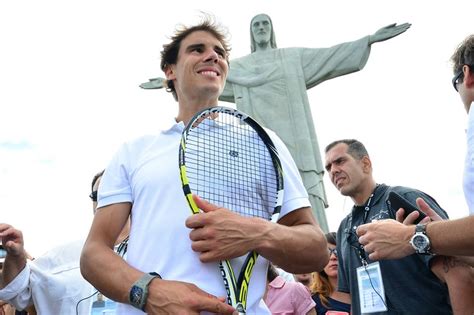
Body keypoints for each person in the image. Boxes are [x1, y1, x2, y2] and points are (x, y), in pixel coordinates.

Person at [81, 16, 328, 315]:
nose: (213, 56)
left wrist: (256, 233)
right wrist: (151, 293)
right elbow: (94, 254)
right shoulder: (134, 151)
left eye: (220, 53)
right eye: (197, 49)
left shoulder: (265, 142)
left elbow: (315, 248)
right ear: (169, 70)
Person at [140, 15, 411, 232]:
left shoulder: (291, 58)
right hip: (250, 148)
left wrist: (368, 41)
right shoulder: (238, 68)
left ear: (271, 30)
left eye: (264, 24)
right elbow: (196, 78)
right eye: (255, 25)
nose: (260, 29)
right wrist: (167, 79)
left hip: (295, 142)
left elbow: (330, 56)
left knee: (305, 209)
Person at [324, 138, 474, 314]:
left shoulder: (401, 199)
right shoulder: (344, 228)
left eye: (340, 161)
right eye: (328, 167)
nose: (334, 170)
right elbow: (352, 298)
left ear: (365, 163)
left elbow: (457, 272)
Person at [0, 170, 129, 314]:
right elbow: (16, 292)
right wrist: (15, 255)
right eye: (97, 195)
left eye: (113, 192)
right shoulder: (65, 256)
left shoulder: (151, 254)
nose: (104, 199)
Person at [311, 232, 350, 315]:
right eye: (327, 252)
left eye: (337, 251)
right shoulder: (312, 301)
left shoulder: (367, 290)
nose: (333, 257)